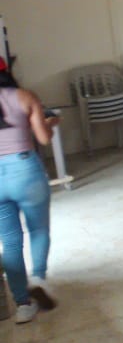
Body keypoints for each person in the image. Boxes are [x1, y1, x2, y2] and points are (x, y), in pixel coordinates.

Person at [0, 58, 58, 323]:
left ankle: (23, 304)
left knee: (10, 241)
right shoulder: (24, 96)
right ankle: (38, 279)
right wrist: (51, 123)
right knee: (38, 230)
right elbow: (43, 138)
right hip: (25, 171)